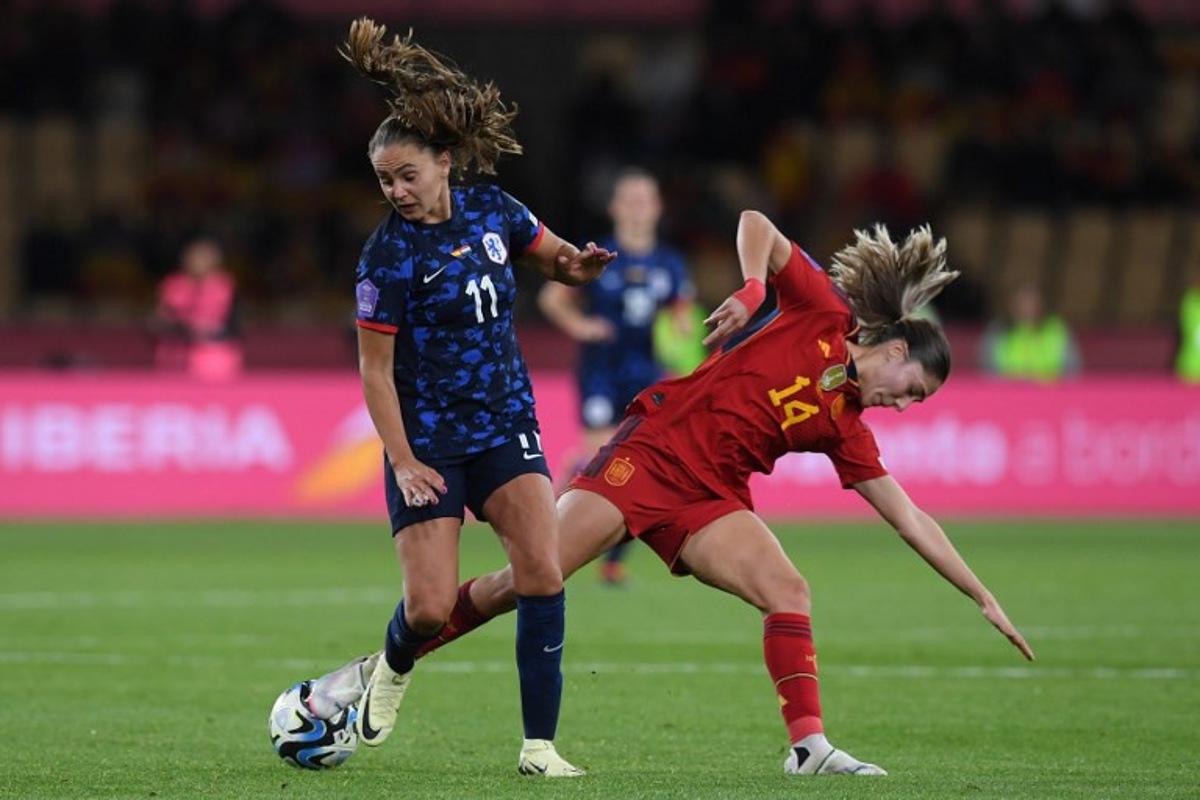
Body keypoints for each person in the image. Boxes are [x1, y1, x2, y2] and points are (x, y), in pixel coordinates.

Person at [402, 211, 1035, 776]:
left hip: (709, 498)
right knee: (524, 582)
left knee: (787, 590)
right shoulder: (821, 312)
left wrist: (981, 595)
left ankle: (809, 748)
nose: (902, 406)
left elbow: (909, 518)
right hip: (650, 455)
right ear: (895, 350)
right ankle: (383, 664)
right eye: (911, 390)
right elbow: (756, 222)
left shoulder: (848, 429)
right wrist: (756, 287)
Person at [341, 18, 615, 777]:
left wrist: (579, 266)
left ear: (444, 162)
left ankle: (539, 748)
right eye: (385, 181)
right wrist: (402, 461)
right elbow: (374, 371)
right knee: (430, 608)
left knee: (542, 575)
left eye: (407, 175)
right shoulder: (386, 257)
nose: (397, 191)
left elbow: (554, 258)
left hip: (504, 425)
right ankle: (392, 667)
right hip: (429, 440)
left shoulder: (495, 209)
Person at [538, 167, 694, 584]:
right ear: (615, 208)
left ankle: (612, 561)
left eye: (645, 200)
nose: (638, 208)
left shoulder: (670, 263)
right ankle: (545, 524)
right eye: (630, 200)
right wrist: (581, 327)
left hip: (645, 374)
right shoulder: (601, 256)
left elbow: (683, 318)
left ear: (658, 207)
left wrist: (683, 339)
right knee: (600, 459)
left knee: (635, 466)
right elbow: (552, 298)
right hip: (601, 372)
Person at [151, 236, 242, 380]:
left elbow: (234, 327)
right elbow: (158, 321)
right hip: (174, 353)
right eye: (194, 257)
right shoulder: (173, 285)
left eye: (204, 257)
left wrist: (207, 331)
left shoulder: (225, 286)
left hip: (215, 356)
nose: (198, 262)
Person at [980, 283, 1080, 381]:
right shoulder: (998, 330)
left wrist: (1040, 380)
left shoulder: (1057, 329)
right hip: (1006, 390)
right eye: (1022, 302)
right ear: (1012, 305)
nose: (1027, 307)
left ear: (1042, 304)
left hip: (1051, 390)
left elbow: (1073, 371)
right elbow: (987, 371)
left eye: (1032, 302)